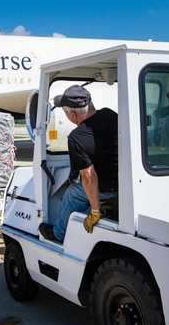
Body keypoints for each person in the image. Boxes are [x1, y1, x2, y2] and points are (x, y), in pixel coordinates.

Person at [38, 85, 118, 243]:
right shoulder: (110, 114)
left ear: (73, 114)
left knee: (72, 193)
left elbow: (89, 176)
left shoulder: (76, 138)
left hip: (105, 189)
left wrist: (95, 211)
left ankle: (59, 234)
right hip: (122, 185)